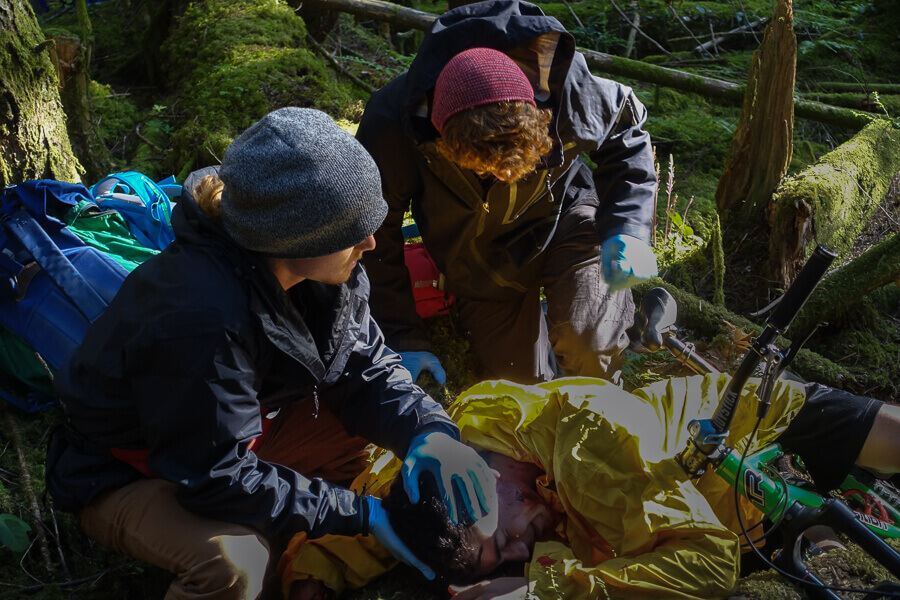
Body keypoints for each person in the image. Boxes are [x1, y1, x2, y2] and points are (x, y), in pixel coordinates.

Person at [44, 107, 497, 600]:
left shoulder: (324, 268)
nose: (369, 242)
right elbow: (215, 473)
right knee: (236, 566)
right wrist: (360, 515)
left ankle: (299, 534)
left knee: (381, 443)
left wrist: (427, 431)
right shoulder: (199, 315)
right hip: (131, 472)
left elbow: (364, 364)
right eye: (352, 232)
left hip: (238, 431)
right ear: (292, 236)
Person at [278, 374, 900, 600]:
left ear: (499, 489)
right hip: (716, 513)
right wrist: (311, 576)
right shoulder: (438, 460)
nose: (522, 555)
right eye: (511, 556)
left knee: (888, 438)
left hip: (744, 425)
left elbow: (709, 565)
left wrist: (546, 589)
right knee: (820, 534)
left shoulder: (590, 447)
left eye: (510, 545)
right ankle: (813, 527)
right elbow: (390, 521)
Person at [356, 0, 659, 386]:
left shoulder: (567, 88)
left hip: (563, 221)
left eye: (521, 165)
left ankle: (606, 337)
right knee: (520, 385)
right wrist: (403, 337)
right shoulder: (392, 125)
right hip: (477, 263)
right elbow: (372, 239)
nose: (509, 176)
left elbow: (625, 133)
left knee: (590, 350)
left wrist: (627, 227)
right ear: (443, 143)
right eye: (489, 171)